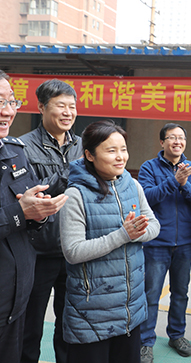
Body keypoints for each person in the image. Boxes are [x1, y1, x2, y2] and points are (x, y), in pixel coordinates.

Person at [59, 120, 160, 363]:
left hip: (130, 309)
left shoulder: (133, 185)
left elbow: (155, 226)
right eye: (111, 150)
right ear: (89, 155)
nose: (120, 157)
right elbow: (73, 251)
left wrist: (136, 232)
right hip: (91, 314)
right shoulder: (75, 195)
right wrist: (123, 235)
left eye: (123, 149)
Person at [0, 69, 68, 362]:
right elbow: (18, 211)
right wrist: (20, 212)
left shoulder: (14, 152)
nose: (7, 111)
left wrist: (39, 212)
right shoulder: (28, 143)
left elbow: (28, 204)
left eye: (11, 102)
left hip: (18, 292)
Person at [20, 79, 82, 363]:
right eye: (61, 106)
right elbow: (32, 194)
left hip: (74, 251)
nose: (68, 112)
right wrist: (69, 173)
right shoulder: (22, 148)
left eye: (72, 106)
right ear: (42, 107)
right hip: (38, 251)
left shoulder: (83, 145)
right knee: (30, 326)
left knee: (69, 326)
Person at [138, 123, 191, 361]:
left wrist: (186, 184)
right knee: (151, 295)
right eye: (172, 138)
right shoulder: (149, 167)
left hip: (185, 243)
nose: (177, 142)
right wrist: (173, 181)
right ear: (162, 142)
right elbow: (147, 197)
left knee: (181, 293)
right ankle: (146, 341)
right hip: (156, 243)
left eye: (181, 138)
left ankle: (177, 335)